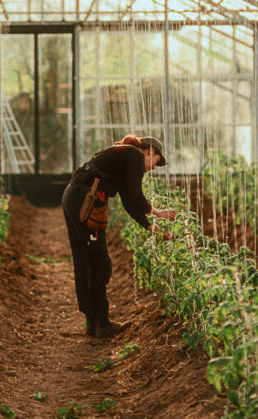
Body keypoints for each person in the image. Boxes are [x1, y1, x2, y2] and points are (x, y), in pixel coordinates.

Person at [61, 135, 176, 338]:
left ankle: (93, 322)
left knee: (86, 260)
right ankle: (102, 324)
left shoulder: (124, 158)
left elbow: (128, 202)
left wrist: (150, 226)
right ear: (150, 151)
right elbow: (135, 195)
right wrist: (157, 212)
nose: (152, 168)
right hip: (84, 202)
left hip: (75, 198)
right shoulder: (134, 155)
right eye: (155, 162)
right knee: (99, 263)